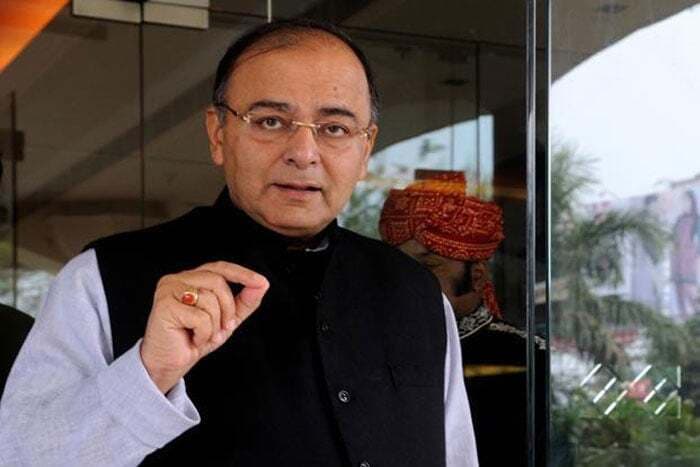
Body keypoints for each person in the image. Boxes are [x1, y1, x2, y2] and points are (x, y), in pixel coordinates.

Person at [0, 20, 477, 467]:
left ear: (365, 148)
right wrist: (148, 372)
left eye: (334, 128)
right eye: (270, 121)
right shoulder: (103, 279)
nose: (304, 154)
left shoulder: (415, 293)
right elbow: (20, 457)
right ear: (218, 134)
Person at [379, 170, 546, 466]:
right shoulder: (373, 347)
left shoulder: (528, 358)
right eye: (398, 266)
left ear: (477, 277)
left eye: (428, 267)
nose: (407, 281)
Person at [671, 189, 700, 320]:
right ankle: (685, 321)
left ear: (692, 202)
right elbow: (673, 239)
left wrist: (696, 258)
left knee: (691, 291)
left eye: (686, 201)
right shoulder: (679, 220)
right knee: (679, 292)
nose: (684, 204)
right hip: (677, 259)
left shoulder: (697, 220)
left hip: (690, 260)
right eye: (682, 201)